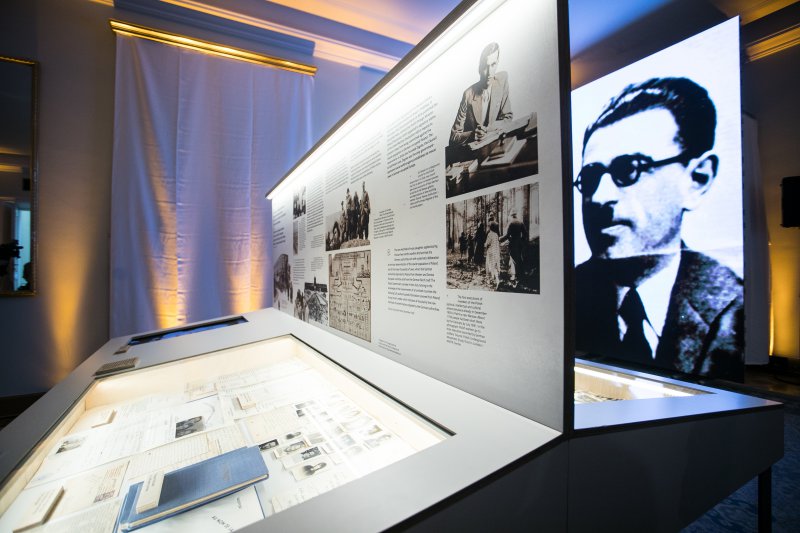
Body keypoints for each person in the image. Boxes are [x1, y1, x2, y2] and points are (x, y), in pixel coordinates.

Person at [574, 77, 742, 378]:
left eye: (630, 169)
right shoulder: (568, 292)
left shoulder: (733, 308)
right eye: (591, 178)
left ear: (697, 179)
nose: (599, 197)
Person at [450, 42, 513, 146]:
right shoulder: (468, 94)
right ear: (479, 67)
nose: (489, 72)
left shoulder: (502, 80)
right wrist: (473, 134)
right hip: (475, 150)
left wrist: (489, 129)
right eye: (485, 67)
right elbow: (454, 136)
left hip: (496, 144)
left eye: (493, 65)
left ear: (497, 63)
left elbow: (508, 117)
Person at [500, 212, 526, 281]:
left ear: (511, 216)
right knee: (519, 258)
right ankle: (521, 275)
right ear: (516, 215)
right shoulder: (521, 222)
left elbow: (507, 235)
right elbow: (525, 234)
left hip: (513, 244)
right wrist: (521, 240)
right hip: (519, 244)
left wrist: (500, 239)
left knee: (513, 260)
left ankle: (516, 276)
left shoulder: (511, 223)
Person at [484, 221, 501, 288]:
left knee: (488, 265)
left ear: (490, 227)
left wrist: (484, 244)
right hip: (496, 252)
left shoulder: (490, 234)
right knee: (495, 266)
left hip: (490, 252)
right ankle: (497, 280)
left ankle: (488, 279)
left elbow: (486, 244)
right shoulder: (496, 234)